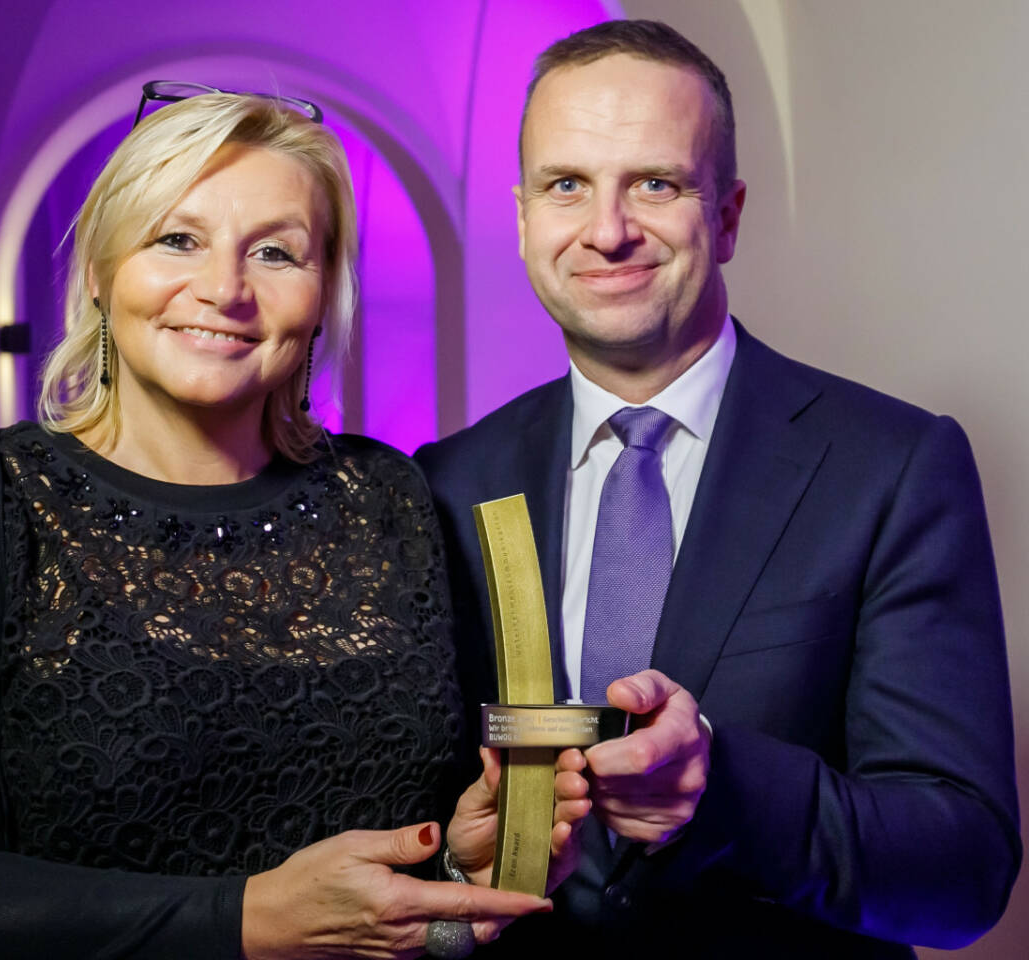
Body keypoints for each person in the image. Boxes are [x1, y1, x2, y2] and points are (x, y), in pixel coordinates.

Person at [0, 90, 588, 960]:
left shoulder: (390, 498)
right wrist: (249, 921)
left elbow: (425, 921)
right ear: (102, 272)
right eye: (176, 239)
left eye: (276, 252)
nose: (225, 290)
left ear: (324, 291)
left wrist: (456, 868)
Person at [415, 19, 1020, 957]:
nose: (608, 230)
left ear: (728, 216)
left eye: (656, 183)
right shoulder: (445, 483)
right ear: (527, 216)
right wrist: (462, 871)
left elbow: (964, 875)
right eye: (566, 184)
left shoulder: (892, 468)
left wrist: (721, 785)